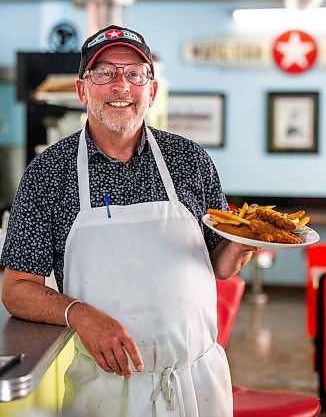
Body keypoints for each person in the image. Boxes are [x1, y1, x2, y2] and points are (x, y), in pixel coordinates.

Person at [1, 25, 258, 417]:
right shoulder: (48, 173)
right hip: (105, 392)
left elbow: (218, 265)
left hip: (199, 383)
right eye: (104, 72)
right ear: (83, 90)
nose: (121, 85)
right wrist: (79, 314)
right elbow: (17, 288)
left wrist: (242, 246)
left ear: (151, 90)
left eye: (135, 73)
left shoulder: (190, 160)